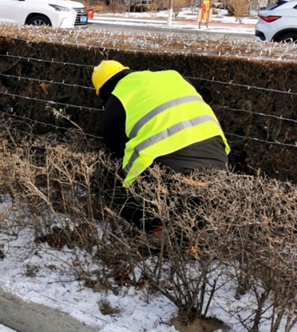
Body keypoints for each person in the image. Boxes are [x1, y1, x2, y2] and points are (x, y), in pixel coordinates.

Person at [91, 60, 229, 232]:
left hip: (171, 169)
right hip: (218, 158)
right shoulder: (171, 75)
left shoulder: (117, 100)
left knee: (115, 180)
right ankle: (193, 235)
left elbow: (115, 151)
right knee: (195, 204)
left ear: (103, 90)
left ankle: (157, 233)